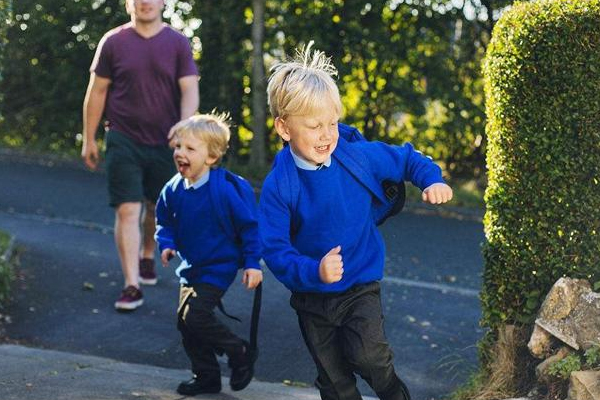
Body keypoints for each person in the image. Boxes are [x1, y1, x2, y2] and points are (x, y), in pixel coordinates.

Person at [259, 43, 453, 400]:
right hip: (311, 296)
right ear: (284, 128)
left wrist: (432, 179)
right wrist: (313, 270)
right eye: (315, 126)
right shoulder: (280, 185)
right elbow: (273, 248)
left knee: (371, 359)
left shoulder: (356, 156)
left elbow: (406, 157)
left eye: (332, 122)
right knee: (334, 380)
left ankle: (394, 393)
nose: (327, 134)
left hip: (360, 283)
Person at [81, 0, 199, 310]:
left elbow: (189, 90)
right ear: (129, 3)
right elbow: (97, 91)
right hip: (123, 138)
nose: (145, 2)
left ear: (163, 2)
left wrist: (185, 129)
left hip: (166, 141)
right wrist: (89, 138)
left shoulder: (177, 42)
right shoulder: (113, 42)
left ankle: (148, 253)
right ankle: (131, 284)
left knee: (154, 207)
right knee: (127, 210)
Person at [155, 114, 263, 395]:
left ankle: (238, 350)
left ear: (212, 157)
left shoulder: (223, 191)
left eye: (190, 149)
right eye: (179, 146)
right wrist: (166, 243)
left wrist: (252, 263)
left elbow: (250, 227)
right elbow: (164, 220)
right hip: (191, 267)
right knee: (185, 324)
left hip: (218, 266)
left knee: (195, 317)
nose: (180, 153)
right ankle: (206, 376)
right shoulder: (174, 189)